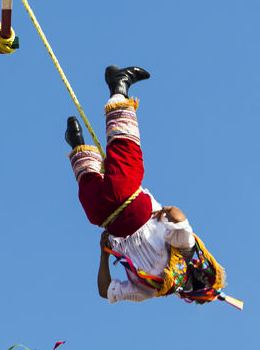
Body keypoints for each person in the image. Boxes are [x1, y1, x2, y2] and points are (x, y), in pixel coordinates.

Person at [66, 66, 229, 306]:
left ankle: (119, 87)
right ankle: (76, 144)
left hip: (125, 197)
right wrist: (103, 254)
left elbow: (178, 217)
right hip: (100, 215)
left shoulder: (184, 251)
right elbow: (105, 290)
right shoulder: (150, 290)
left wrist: (164, 212)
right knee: (88, 182)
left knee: (126, 152)